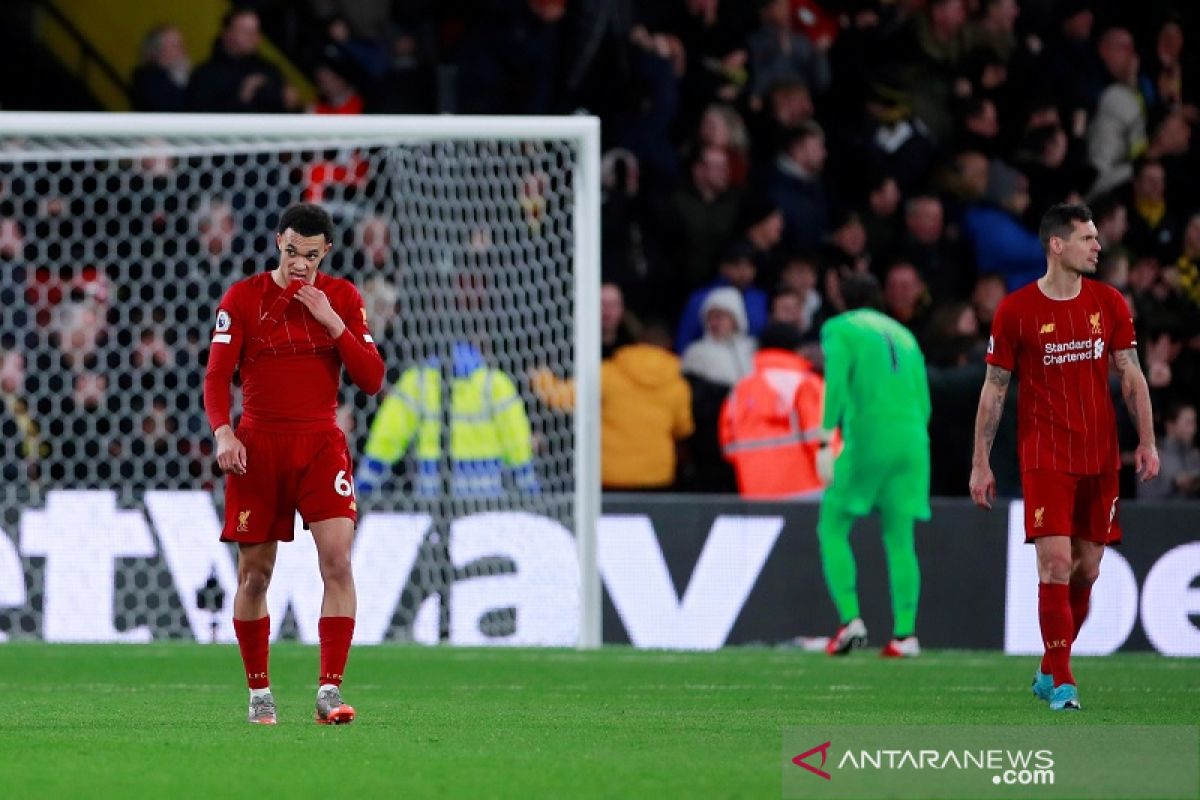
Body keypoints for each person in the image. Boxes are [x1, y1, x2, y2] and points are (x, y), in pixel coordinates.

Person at [969, 203, 1160, 712]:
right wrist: (980, 462)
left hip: (1099, 457)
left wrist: (1147, 440)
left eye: (1097, 237)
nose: (1098, 245)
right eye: (1087, 238)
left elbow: (1132, 375)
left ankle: (1049, 666)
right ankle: (1066, 683)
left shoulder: (1110, 303)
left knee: (1087, 568)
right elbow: (994, 389)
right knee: (1054, 563)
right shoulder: (1016, 311)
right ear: (1057, 245)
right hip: (1044, 454)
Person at [204, 203, 385, 725]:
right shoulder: (241, 298)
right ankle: (260, 693)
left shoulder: (345, 299)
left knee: (337, 561)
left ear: (325, 251)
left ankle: (329, 691)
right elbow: (217, 377)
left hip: (321, 446)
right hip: (258, 448)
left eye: (310, 254)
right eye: (291, 251)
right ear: (277, 241)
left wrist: (332, 323)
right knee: (254, 577)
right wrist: (223, 432)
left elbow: (372, 379)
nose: (299, 263)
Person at [816, 272, 931, 658]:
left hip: (870, 433)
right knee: (900, 538)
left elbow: (835, 383)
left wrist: (824, 437)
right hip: (914, 439)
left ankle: (851, 620)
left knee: (832, 524)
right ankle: (906, 634)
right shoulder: (904, 335)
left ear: (840, 298)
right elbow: (926, 402)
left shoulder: (840, 328)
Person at [355, 340, 540, 498]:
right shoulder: (495, 384)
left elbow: (386, 440)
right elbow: (518, 445)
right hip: (486, 499)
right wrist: (531, 491)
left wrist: (363, 489)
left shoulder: (417, 382)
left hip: (432, 495)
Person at [719, 322, 826, 499]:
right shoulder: (806, 384)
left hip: (756, 494)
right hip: (808, 492)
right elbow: (823, 441)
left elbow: (729, 446)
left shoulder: (740, 390)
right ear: (799, 349)